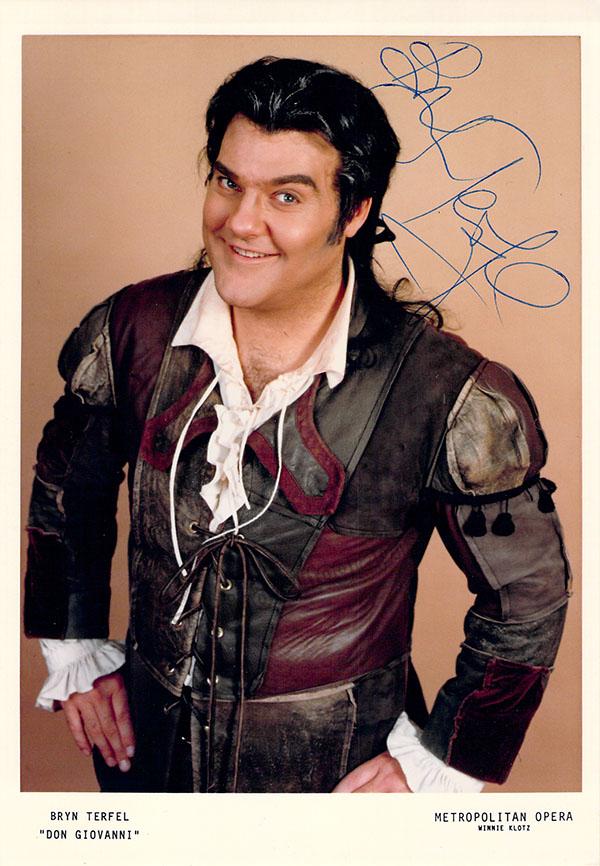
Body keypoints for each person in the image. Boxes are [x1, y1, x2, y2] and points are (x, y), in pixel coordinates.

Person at [24, 56, 571, 794]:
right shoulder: (132, 329)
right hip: (146, 764)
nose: (240, 223)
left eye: (286, 195)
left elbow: (526, 593)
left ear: (354, 212)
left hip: (335, 782)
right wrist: (75, 651)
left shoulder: (445, 391)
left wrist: (443, 760)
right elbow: (68, 492)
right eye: (228, 182)